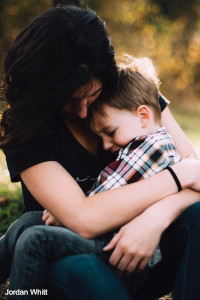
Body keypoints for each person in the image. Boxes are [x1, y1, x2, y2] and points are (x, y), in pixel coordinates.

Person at [1, 5, 200, 300]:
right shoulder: (27, 129)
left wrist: (155, 217)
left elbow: (197, 176)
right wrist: (179, 175)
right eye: (68, 100)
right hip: (74, 261)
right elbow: (83, 219)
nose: (83, 111)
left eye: (91, 95)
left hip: (143, 252)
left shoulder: (128, 94)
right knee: (63, 256)